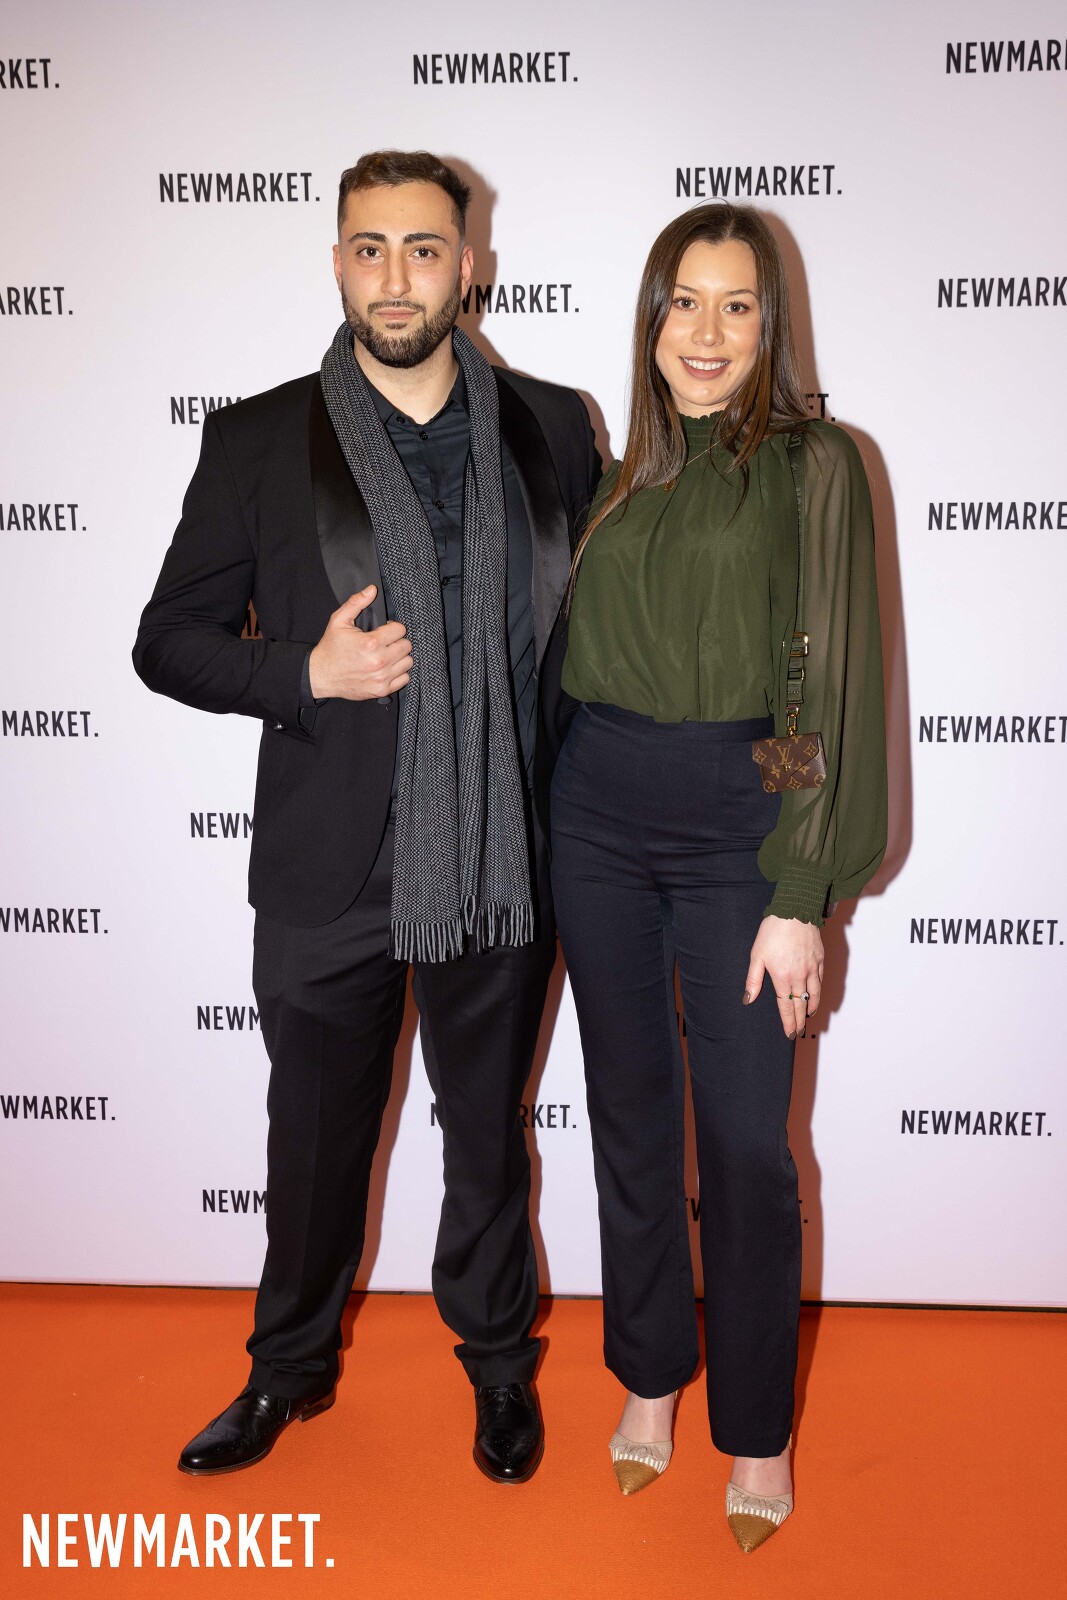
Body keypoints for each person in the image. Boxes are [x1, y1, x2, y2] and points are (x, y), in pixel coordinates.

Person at [133, 149, 600, 1485]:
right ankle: (285, 1374)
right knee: (314, 1147)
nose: (397, 278)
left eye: (424, 249)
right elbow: (166, 641)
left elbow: (593, 636)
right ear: (337, 262)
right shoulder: (258, 439)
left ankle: (498, 1367)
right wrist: (305, 672)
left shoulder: (555, 428)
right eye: (370, 248)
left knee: (487, 1138)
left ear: (471, 267)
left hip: (500, 856)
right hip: (329, 867)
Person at [550, 203, 886, 1550]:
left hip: (740, 809)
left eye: (737, 305)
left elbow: (823, 683)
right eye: (683, 302)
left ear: (771, 324)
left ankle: (756, 1426)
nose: (707, 332)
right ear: (650, 319)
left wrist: (801, 887)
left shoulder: (816, 465)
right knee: (630, 1119)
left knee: (747, 1145)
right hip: (594, 814)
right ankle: (649, 1374)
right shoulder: (611, 474)